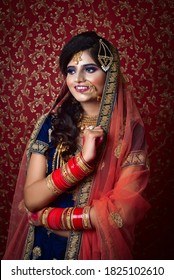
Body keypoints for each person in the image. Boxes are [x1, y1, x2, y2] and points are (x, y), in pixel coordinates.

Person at [3, 31, 150, 260]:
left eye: (89, 69)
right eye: (71, 71)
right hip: (43, 253)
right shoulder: (51, 125)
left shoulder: (128, 134)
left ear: (109, 74)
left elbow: (122, 213)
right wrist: (82, 162)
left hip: (93, 258)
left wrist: (47, 218)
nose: (78, 78)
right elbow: (31, 198)